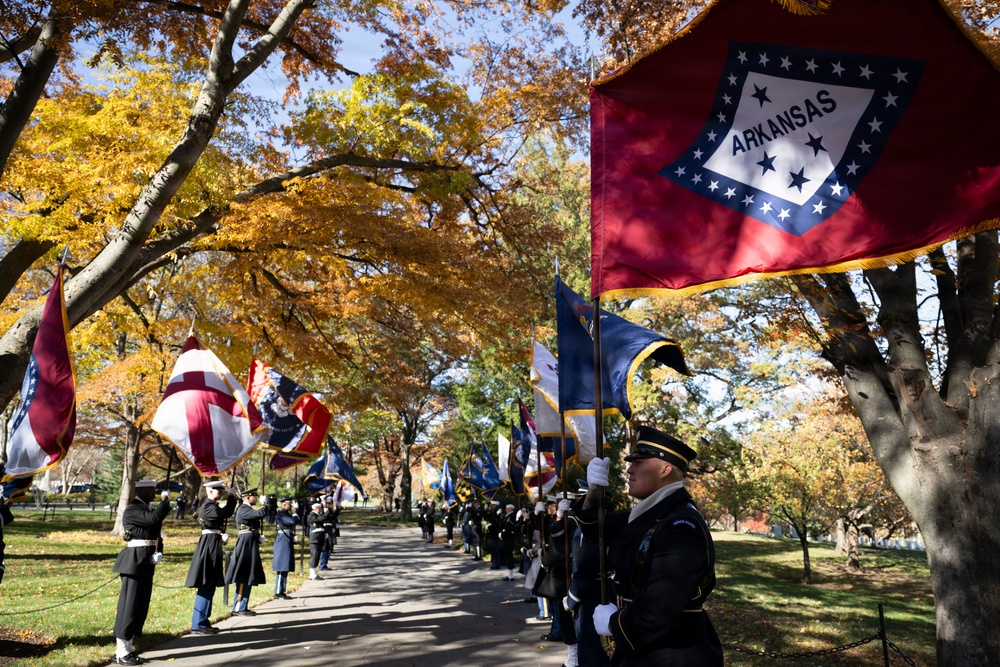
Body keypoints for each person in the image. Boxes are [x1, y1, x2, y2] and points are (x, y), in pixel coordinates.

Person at [585, 426, 722, 666]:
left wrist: (614, 624)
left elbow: (660, 606)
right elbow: (594, 529)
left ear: (665, 469)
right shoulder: (650, 514)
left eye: (638, 463)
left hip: (669, 652)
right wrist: (593, 492)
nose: (629, 469)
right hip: (649, 648)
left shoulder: (680, 524)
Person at [111, 479, 171, 666]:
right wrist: (164, 502)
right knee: (129, 607)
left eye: (155, 489)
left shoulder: (147, 508)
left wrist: (159, 551)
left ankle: (128, 649)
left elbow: (155, 532)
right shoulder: (133, 509)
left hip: (145, 560)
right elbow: (154, 520)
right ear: (141, 490)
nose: (154, 492)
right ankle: (121, 652)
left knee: (139, 607)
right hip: (133, 561)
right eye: (151, 489)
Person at [185, 480, 237, 634]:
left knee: (210, 584)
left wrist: (220, 535)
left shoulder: (212, 506)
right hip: (208, 548)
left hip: (212, 545)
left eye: (221, 490)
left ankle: (204, 621)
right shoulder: (208, 506)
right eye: (217, 490)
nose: (220, 492)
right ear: (209, 491)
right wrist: (232, 497)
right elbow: (225, 513)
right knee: (206, 583)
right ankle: (198, 624)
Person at [224, 488, 269, 616]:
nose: (256, 498)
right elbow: (259, 514)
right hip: (245, 544)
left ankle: (243, 605)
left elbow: (255, 521)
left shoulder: (247, 509)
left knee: (249, 574)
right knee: (243, 574)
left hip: (250, 543)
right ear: (248, 497)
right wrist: (264, 505)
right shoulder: (243, 509)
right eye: (255, 496)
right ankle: (238, 607)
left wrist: (257, 536)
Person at [272, 497, 300, 599]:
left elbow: (297, 521)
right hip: (282, 540)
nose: (291, 506)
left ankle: (282, 591)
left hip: (286, 539)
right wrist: (296, 513)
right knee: (282, 567)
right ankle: (278, 592)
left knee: (285, 567)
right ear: (284, 505)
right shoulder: (281, 514)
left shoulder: (286, 514)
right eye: (289, 504)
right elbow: (292, 522)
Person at [306, 500, 327, 579]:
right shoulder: (312, 515)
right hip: (315, 538)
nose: (321, 509)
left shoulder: (317, 515)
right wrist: (326, 513)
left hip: (318, 538)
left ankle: (314, 573)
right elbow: (318, 519)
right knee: (314, 556)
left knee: (317, 556)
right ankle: (312, 574)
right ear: (315, 508)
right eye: (319, 508)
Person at [500, 503, 519, 581]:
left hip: (508, 539)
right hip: (507, 538)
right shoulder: (508, 516)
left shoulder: (511, 516)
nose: (505, 510)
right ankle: (510, 575)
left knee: (509, 556)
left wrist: (503, 534)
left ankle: (511, 575)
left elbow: (510, 528)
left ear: (510, 509)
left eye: (507, 508)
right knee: (508, 556)